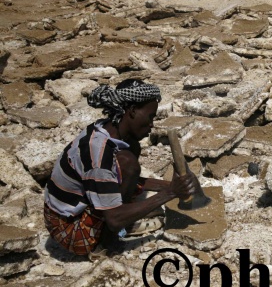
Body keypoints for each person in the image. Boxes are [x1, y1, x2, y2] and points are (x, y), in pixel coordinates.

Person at [43, 79, 199, 260]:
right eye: (150, 116)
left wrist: (172, 186)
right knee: (128, 165)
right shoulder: (99, 154)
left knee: (131, 152)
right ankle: (106, 244)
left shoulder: (105, 129)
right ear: (132, 111)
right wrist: (170, 193)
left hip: (76, 206)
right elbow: (114, 218)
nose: (152, 124)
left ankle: (127, 213)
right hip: (69, 228)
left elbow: (111, 178)